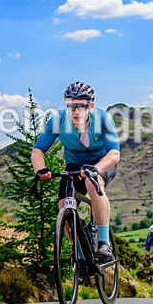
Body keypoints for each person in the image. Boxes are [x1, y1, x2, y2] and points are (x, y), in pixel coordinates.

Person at [32, 82, 120, 261]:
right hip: (74, 165)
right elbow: (37, 151)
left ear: (91, 106)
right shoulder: (58, 121)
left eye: (82, 106)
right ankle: (78, 250)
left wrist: (96, 169)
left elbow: (114, 154)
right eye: (72, 106)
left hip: (102, 162)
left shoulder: (103, 119)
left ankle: (104, 243)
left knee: (93, 182)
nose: (76, 111)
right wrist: (41, 169)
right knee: (64, 203)